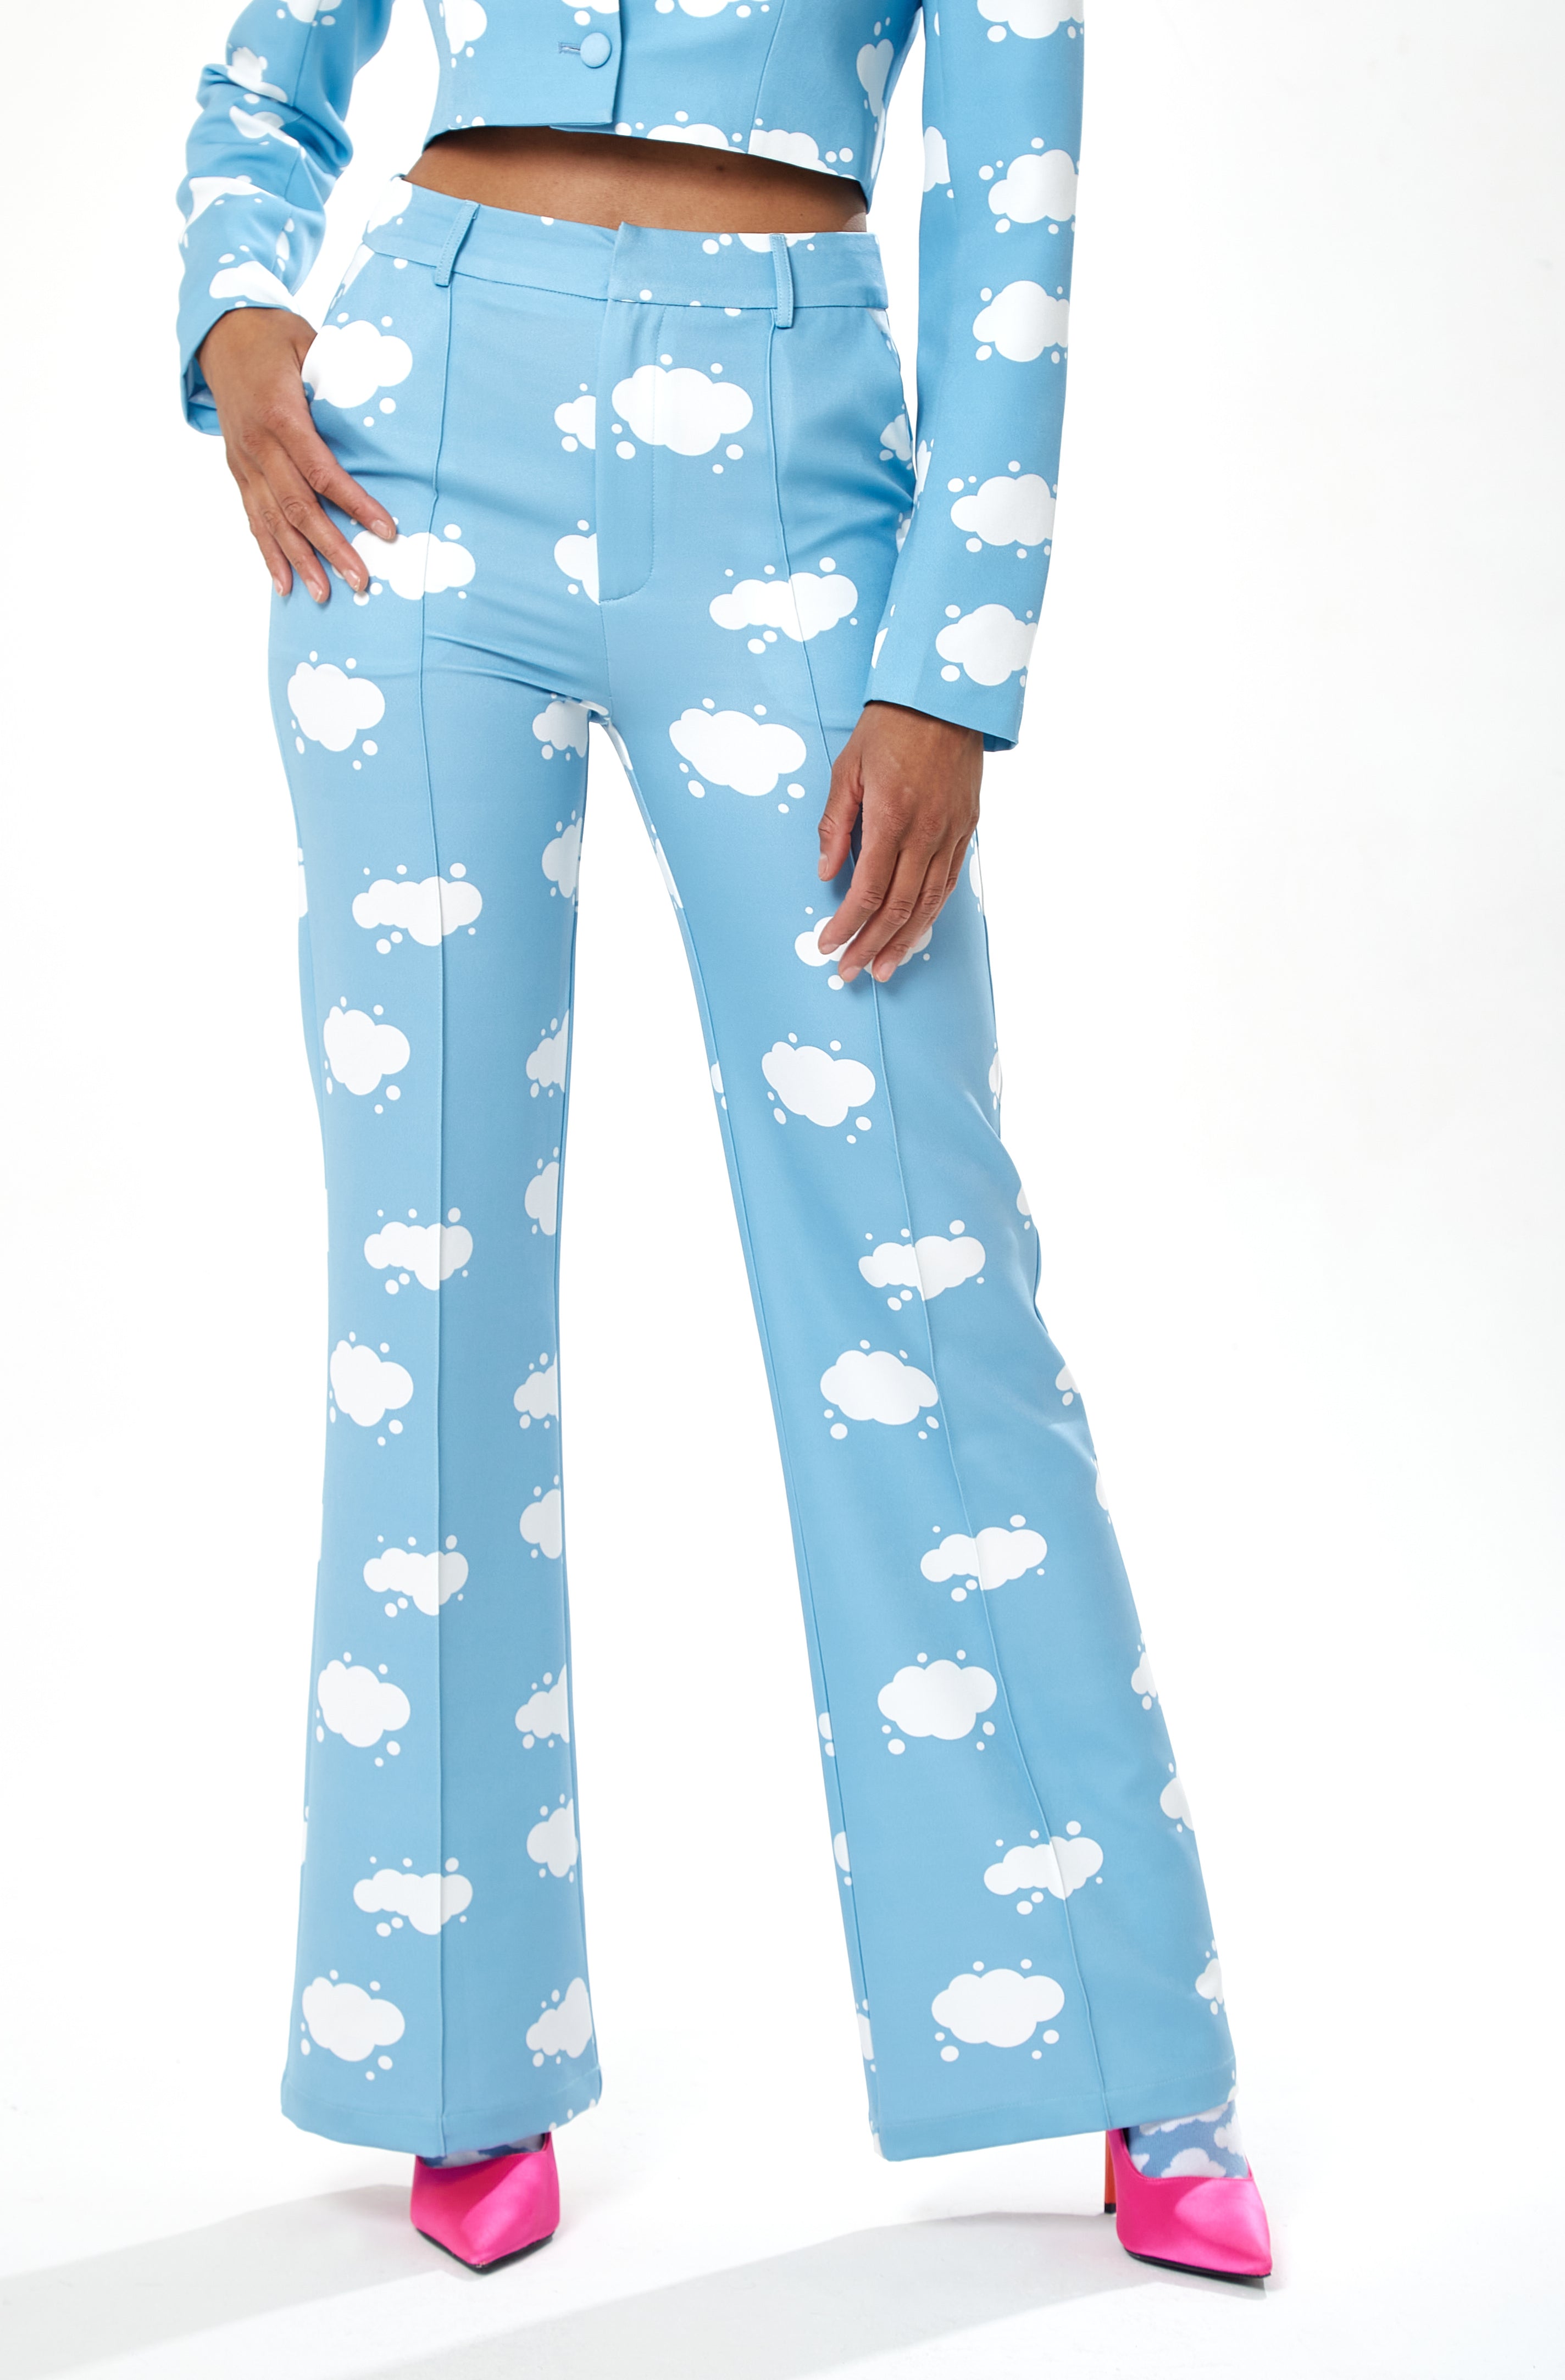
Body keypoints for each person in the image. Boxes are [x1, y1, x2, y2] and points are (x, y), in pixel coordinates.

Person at [177, 0, 1271, 2284]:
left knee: (918, 1271)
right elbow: (267, 80)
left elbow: (1012, 213)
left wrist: (950, 663)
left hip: (784, 468)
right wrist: (241, 324)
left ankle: (1119, 2030)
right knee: (427, 1285)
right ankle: (445, 2046)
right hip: (414, 462)